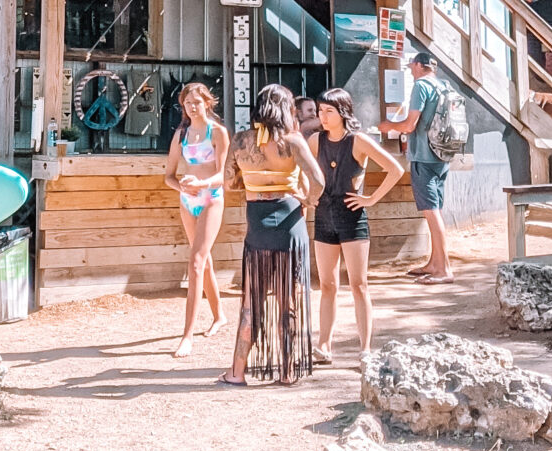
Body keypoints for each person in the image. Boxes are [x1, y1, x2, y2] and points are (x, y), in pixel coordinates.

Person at [219, 84, 324, 386]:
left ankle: (237, 373)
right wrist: (308, 200)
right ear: (285, 109)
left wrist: (253, 185)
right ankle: (288, 371)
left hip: (257, 221)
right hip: (290, 219)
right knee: (287, 300)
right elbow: (318, 180)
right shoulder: (293, 141)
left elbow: (229, 183)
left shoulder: (240, 141)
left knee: (250, 302)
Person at [308, 88, 404, 363]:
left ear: (343, 112)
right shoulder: (316, 140)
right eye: (320, 110)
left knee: (359, 284)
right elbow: (303, 170)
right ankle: (324, 346)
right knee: (327, 284)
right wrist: (309, 196)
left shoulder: (358, 141)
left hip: (352, 217)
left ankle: (365, 349)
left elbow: (394, 169)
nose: (322, 116)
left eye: (328, 111)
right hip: (324, 215)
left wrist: (371, 199)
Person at [163, 82, 230, 358]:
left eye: (197, 102)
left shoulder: (218, 132)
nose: (192, 106)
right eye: (187, 102)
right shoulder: (181, 134)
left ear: (207, 103)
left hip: (211, 197)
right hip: (187, 200)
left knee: (196, 262)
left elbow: (223, 175)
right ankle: (219, 316)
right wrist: (183, 187)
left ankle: (187, 336)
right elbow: (169, 175)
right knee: (204, 262)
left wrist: (201, 183)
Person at [378, 51, 452, 284]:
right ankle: (434, 262)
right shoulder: (443, 86)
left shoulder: (421, 86)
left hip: (424, 156)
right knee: (436, 210)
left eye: (412, 66)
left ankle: (444, 270)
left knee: (431, 213)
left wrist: (388, 125)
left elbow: (410, 125)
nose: (410, 70)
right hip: (442, 155)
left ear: (420, 66)